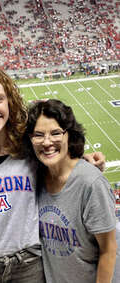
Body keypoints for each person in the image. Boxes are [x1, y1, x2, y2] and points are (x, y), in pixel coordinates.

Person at [0, 65, 106, 283]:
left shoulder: (28, 146)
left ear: (9, 100)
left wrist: (83, 162)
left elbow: (56, 157)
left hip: (28, 266)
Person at [25, 99, 117, 283]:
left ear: (69, 135)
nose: (47, 142)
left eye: (56, 133)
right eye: (38, 135)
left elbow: (108, 250)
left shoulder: (91, 184)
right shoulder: (38, 177)